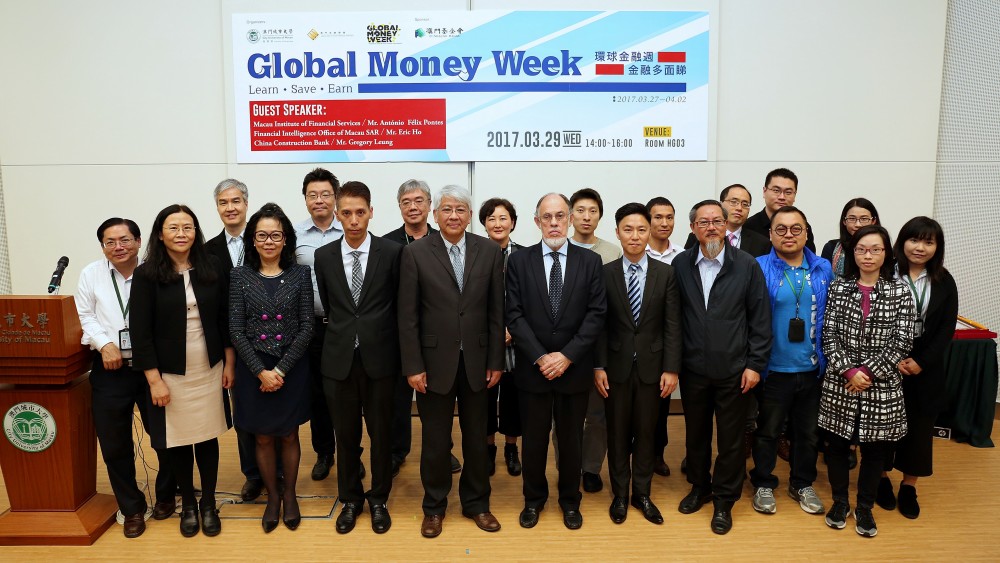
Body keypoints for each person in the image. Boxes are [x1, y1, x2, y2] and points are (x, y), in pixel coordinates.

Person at [398, 185, 505, 538]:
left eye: (460, 209)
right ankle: (434, 507)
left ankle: (477, 503)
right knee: (434, 440)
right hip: (432, 363)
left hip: (478, 361)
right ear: (435, 214)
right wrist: (413, 365)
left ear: (470, 215)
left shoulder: (489, 251)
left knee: (476, 438)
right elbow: (408, 316)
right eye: (446, 209)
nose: (454, 215)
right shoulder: (415, 254)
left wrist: (496, 360)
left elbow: (495, 312)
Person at [130, 204, 234, 538]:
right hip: (169, 373)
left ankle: (208, 504)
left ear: (196, 231)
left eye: (187, 227)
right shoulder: (147, 274)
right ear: (160, 233)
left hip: (209, 365)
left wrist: (229, 363)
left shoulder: (211, 265)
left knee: (206, 436)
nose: (181, 234)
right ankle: (187, 503)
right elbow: (140, 332)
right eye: (173, 228)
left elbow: (223, 318)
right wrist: (154, 380)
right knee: (177, 440)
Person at [505, 193, 606, 531]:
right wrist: (540, 356)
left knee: (571, 441)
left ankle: (569, 502)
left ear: (569, 220)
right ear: (536, 222)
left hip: (573, 369)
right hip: (533, 371)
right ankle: (533, 501)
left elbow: (595, 316)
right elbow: (514, 315)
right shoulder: (519, 262)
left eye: (560, 216)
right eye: (546, 217)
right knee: (533, 441)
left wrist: (566, 356)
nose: (553, 223)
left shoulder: (590, 262)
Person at [672, 200, 771, 535]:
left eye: (717, 221)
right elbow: (673, 319)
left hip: (735, 370)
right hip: (693, 369)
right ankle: (700, 487)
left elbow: (760, 318)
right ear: (693, 229)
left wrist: (755, 364)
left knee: (730, 441)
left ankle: (724, 501)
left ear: (727, 225)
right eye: (703, 222)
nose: (711, 227)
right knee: (695, 436)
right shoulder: (681, 265)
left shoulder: (746, 265)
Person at [75, 218, 177, 538]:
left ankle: (165, 494)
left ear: (137, 241)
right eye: (110, 242)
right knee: (114, 442)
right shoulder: (91, 274)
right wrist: (104, 344)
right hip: (110, 367)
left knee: (164, 436)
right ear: (102, 246)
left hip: (152, 368)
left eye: (124, 240)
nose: (117, 247)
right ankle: (131, 507)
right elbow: (84, 315)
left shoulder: (156, 272)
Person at [315, 182, 402, 535]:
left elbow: (399, 305)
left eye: (359, 212)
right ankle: (350, 499)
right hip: (338, 361)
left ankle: (379, 498)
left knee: (382, 434)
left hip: (380, 359)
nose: (353, 220)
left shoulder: (392, 252)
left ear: (371, 212)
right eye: (346, 213)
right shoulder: (323, 257)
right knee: (345, 435)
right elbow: (334, 308)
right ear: (337, 215)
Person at [819, 224, 914, 537]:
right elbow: (828, 335)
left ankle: (864, 507)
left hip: (881, 385)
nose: (868, 255)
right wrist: (849, 371)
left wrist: (868, 372)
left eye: (875, 249)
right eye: (861, 249)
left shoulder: (900, 291)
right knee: (837, 446)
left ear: (886, 252)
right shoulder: (838, 288)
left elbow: (902, 341)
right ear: (852, 253)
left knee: (875, 451)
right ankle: (839, 502)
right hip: (841, 383)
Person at [594, 203, 681, 525]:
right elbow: (599, 325)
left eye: (641, 229)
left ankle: (641, 493)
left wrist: (671, 368)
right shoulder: (605, 273)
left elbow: (673, 324)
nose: (634, 236)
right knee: (617, 433)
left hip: (653, 368)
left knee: (646, 433)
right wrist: (598, 366)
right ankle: (619, 494)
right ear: (617, 233)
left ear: (649, 232)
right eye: (627, 229)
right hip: (614, 369)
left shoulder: (666, 274)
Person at [229, 203, 313, 533]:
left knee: (290, 433)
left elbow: (307, 326)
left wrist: (280, 370)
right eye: (261, 235)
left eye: (275, 235)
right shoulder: (239, 276)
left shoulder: (300, 274)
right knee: (262, 437)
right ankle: (273, 498)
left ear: (286, 240)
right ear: (252, 239)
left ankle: (290, 495)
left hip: (290, 366)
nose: (268, 241)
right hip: (254, 369)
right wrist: (261, 371)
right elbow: (235, 328)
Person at [749, 206, 833, 516]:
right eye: (781, 229)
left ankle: (801, 482)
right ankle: (763, 482)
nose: (788, 234)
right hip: (773, 368)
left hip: (812, 367)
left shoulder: (823, 268)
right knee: (769, 430)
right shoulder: (757, 267)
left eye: (796, 229)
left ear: (807, 233)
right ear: (770, 234)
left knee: (807, 433)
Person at [875, 217, 958, 519]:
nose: (920, 247)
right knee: (881, 424)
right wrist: (890, 358)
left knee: (920, 428)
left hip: (925, 365)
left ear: (937, 247)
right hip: (886, 361)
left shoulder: (944, 281)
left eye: (928, 242)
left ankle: (909, 486)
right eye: (914, 240)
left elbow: (946, 328)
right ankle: (881, 478)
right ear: (902, 242)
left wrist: (922, 361)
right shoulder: (885, 274)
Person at [382, 179, 460, 476]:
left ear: (430, 206)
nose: (413, 207)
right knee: (399, 399)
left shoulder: (448, 240)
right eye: (406, 202)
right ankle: (397, 451)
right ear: (399, 207)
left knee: (439, 397)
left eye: (418, 201)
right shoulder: (387, 244)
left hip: (439, 338)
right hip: (398, 335)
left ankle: (444, 451)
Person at [204, 178, 271, 503]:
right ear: (217, 207)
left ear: (246, 203)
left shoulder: (265, 239)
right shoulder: (207, 251)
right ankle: (253, 475)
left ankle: (276, 469)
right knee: (242, 410)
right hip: (230, 342)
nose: (230, 208)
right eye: (223, 203)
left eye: (235, 201)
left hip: (269, 337)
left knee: (272, 407)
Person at [569, 187, 621, 494]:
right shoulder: (557, 247)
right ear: (570, 214)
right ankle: (568, 466)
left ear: (600, 216)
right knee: (562, 416)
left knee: (597, 415)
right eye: (580, 210)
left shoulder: (612, 252)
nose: (586, 217)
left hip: (601, 346)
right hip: (565, 347)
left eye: (593, 211)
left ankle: (590, 468)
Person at [293, 167, 343, 482]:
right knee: (317, 395)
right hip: (309, 327)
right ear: (306, 199)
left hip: (342, 327)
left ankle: (352, 453)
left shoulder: (351, 230)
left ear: (335, 197)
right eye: (313, 195)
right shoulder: (294, 235)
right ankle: (324, 453)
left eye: (325, 194)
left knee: (346, 392)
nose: (319, 200)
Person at [479, 197, 523, 477]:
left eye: (503, 218)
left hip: (518, 343)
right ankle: (488, 448)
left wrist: (512, 329)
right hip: (483, 341)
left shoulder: (525, 256)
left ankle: (511, 447)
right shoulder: (477, 254)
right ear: (483, 223)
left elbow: (533, 300)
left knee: (513, 399)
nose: (498, 223)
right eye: (491, 218)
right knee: (484, 399)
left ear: (513, 223)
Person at [644, 197, 681, 477]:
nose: (664, 223)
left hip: (664, 344)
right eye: (658, 217)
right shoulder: (632, 251)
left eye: (669, 217)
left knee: (661, 406)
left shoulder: (681, 257)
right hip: (635, 345)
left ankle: (657, 454)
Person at [684, 184, 771, 257]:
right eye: (733, 202)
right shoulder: (697, 236)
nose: (739, 208)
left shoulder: (761, 243)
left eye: (745, 204)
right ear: (721, 204)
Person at [743, 168, 817, 252]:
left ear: (795, 195)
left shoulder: (801, 227)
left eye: (788, 192)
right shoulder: (749, 226)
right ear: (764, 191)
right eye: (776, 190)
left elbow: (810, 260)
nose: (782, 197)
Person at [821, 198, 881, 278]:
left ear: (873, 221)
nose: (858, 224)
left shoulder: (882, 248)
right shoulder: (831, 247)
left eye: (864, 219)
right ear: (844, 221)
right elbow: (823, 279)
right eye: (852, 219)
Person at [645, 197, 682, 266]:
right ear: (647, 220)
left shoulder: (681, 254)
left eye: (669, 218)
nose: (665, 224)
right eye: (658, 217)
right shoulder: (638, 253)